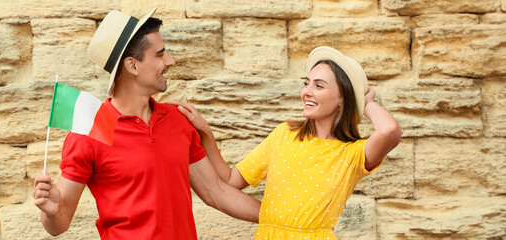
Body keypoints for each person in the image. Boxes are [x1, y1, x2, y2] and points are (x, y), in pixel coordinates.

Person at [32, 8, 260, 239]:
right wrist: (51, 212)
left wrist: (284, 217)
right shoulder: (89, 133)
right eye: (160, 55)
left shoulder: (179, 120)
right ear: (132, 65)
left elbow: (217, 193)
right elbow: (58, 225)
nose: (170, 61)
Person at [168, 46, 401, 239]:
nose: (307, 92)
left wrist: (365, 101)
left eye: (319, 86)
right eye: (306, 83)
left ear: (342, 98)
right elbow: (230, 180)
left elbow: (389, 130)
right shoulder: (285, 134)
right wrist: (206, 133)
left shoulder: (353, 154)